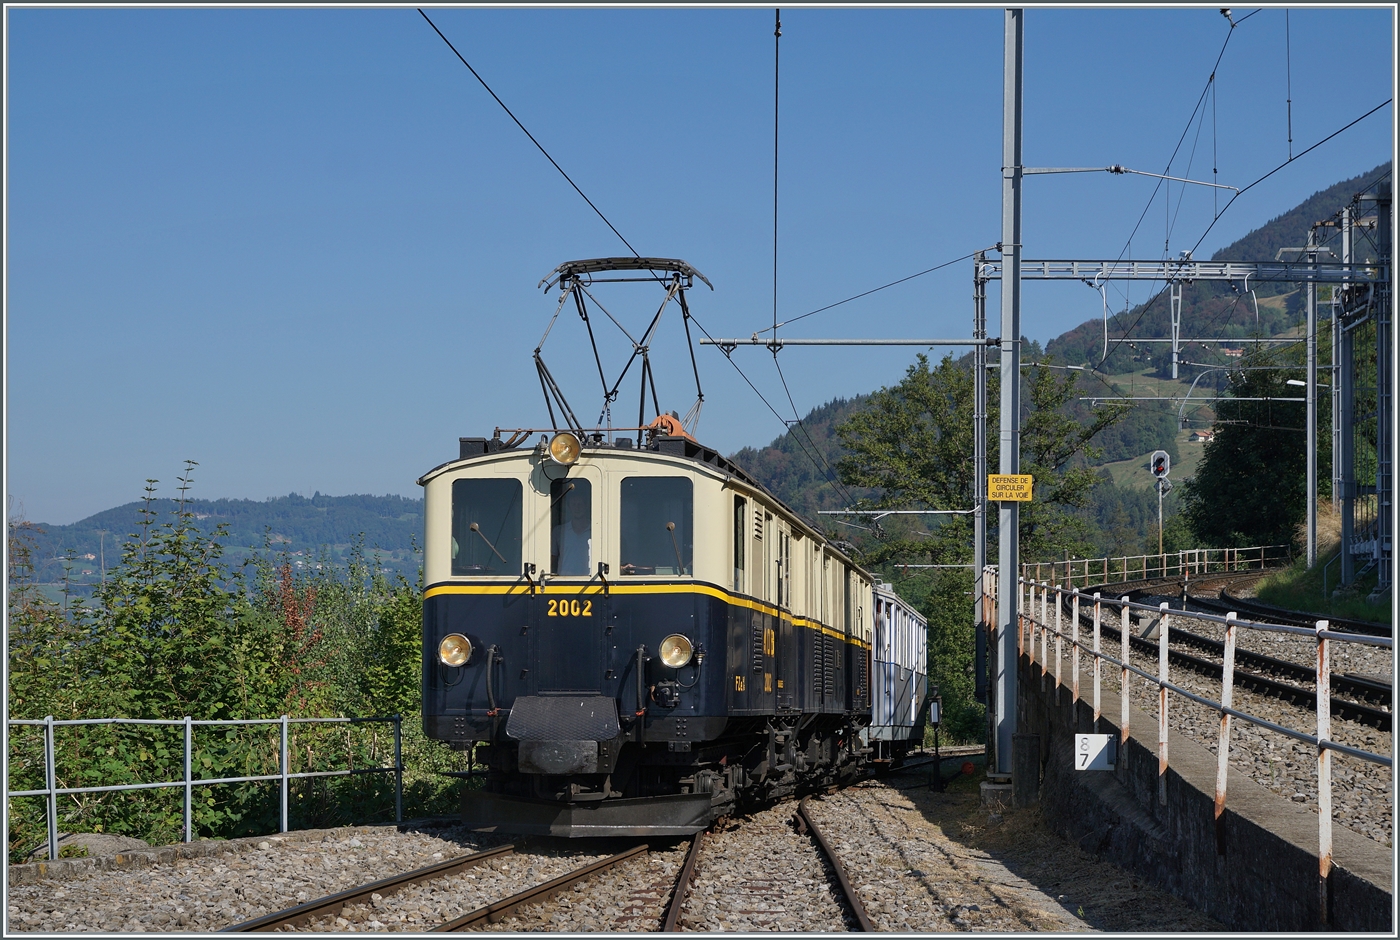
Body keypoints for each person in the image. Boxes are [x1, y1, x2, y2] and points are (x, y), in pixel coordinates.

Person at [553, 488, 591, 575]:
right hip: (564, 580)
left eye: (580, 504)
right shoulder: (559, 532)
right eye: (573, 504)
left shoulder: (596, 531)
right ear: (569, 507)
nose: (577, 508)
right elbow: (551, 559)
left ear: (586, 506)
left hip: (592, 579)